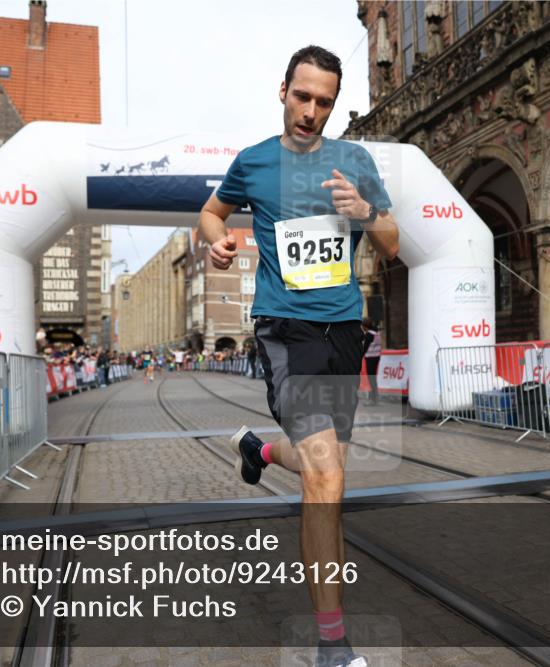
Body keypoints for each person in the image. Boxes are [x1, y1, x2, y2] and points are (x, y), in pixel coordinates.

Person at [198, 45, 398, 667]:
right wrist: (217, 243)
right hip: (287, 329)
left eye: (324, 102)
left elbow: (392, 242)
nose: (311, 111)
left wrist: (365, 212)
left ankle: (259, 452)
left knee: (325, 471)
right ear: (283, 90)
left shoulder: (354, 160)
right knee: (326, 477)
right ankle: (332, 645)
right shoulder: (254, 162)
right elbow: (211, 213)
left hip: (342, 332)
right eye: (303, 96)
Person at [361, 319, 381, 405]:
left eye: (362, 326)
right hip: (376, 357)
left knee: (371, 379)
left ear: (365, 326)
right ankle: (375, 398)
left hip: (370, 358)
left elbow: (364, 348)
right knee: (373, 379)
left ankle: (373, 399)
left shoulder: (369, 335)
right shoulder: (377, 333)